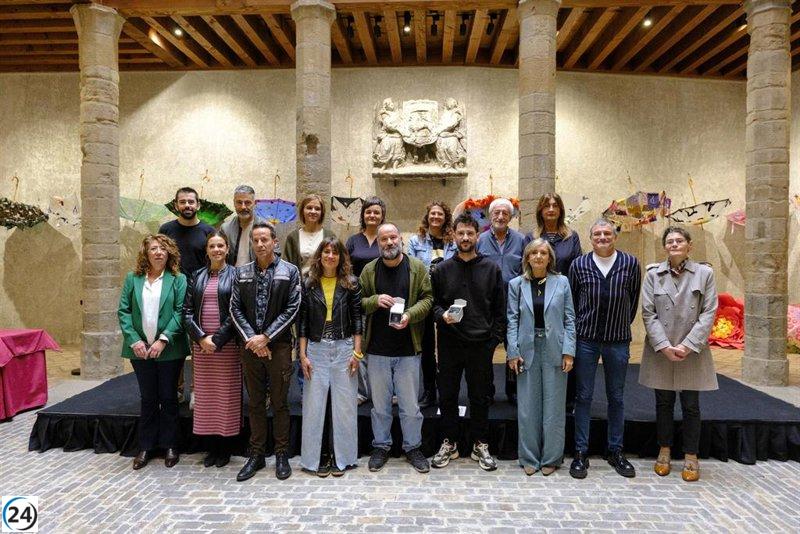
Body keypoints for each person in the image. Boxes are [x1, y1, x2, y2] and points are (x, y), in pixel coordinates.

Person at [640, 227, 718, 482]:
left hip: (691, 350)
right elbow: (648, 312)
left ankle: (691, 456)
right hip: (661, 350)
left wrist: (688, 345)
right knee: (663, 403)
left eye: (679, 240)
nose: (674, 244)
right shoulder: (653, 274)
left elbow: (709, 312)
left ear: (689, 245)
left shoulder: (705, 274)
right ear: (665, 247)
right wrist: (663, 345)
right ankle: (664, 451)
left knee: (691, 405)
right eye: (670, 241)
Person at [430, 213, 505, 472]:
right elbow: (433, 305)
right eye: (460, 233)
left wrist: (493, 341)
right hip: (449, 343)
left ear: (477, 236)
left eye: (470, 233)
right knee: (448, 396)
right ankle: (449, 442)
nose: (465, 238)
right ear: (453, 235)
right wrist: (442, 316)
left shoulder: (492, 269)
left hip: (481, 344)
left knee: (480, 397)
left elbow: (500, 310)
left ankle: (480, 443)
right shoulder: (441, 270)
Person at [568, 218, 641, 479]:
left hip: (617, 340)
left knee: (616, 397)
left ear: (615, 236)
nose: (602, 237)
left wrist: (618, 324)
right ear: (590, 238)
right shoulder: (579, 265)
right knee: (583, 396)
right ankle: (580, 452)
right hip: (586, 340)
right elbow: (573, 302)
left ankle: (615, 450)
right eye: (597, 234)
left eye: (607, 233)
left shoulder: (630, 263)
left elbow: (632, 302)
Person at [230, 222, 301, 482]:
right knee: (256, 402)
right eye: (256, 240)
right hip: (250, 347)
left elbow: (294, 307)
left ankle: (281, 453)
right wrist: (253, 339)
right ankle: (257, 454)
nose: (260, 244)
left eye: (265, 240)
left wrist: (267, 337)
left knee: (280, 403)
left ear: (275, 242)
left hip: (279, 346)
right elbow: (234, 308)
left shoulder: (290, 271)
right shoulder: (241, 272)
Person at [360, 223, 432, 474]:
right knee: (379, 406)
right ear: (378, 243)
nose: (389, 243)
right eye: (384, 239)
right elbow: (359, 302)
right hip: (377, 349)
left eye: (393, 238)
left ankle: (413, 447)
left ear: (401, 239)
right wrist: (374, 300)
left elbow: (428, 299)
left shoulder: (417, 267)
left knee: (410, 406)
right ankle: (381, 446)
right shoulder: (369, 270)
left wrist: (410, 315)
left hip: (408, 349)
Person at [118, 234, 190, 470]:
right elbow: (124, 311)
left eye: (163, 249)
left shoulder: (178, 279)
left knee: (168, 396)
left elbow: (180, 312)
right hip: (139, 350)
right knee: (148, 397)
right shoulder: (133, 278)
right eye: (154, 248)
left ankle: (170, 445)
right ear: (146, 253)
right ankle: (146, 446)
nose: (159, 252)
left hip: (169, 349)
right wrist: (134, 340)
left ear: (169, 253)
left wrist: (162, 340)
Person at [507, 238, 576, 476]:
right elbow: (512, 319)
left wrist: (569, 351)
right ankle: (529, 456)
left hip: (554, 348)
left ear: (549, 258)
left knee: (554, 407)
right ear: (527, 257)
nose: (538, 256)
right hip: (527, 349)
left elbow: (569, 319)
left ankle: (551, 457)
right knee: (528, 407)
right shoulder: (516, 284)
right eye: (534, 252)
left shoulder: (562, 282)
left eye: (543, 253)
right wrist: (513, 351)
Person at [298, 237, 363, 477]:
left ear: (341, 257)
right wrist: (302, 355)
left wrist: (357, 352)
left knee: (345, 407)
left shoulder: (351, 283)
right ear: (320, 255)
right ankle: (316, 459)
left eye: (335, 253)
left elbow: (358, 319)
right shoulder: (308, 283)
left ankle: (343, 458)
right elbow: (302, 322)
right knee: (314, 407)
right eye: (326, 252)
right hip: (315, 348)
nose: (330, 256)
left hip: (344, 347)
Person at [182, 231, 240, 468]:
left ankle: (225, 448)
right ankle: (211, 448)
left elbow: (237, 311)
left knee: (225, 396)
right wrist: (201, 338)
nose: (216, 250)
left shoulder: (236, 275)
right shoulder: (197, 276)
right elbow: (187, 312)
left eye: (220, 246)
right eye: (212, 246)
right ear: (206, 250)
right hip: (202, 347)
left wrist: (217, 339)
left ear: (227, 249)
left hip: (226, 346)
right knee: (207, 396)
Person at [524, 193, 583, 411]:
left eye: (555, 205)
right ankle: (539, 399)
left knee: (564, 348)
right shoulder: (531, 237)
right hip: (538, 300)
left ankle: (568, 399)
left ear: (561, 210)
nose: (550, 209)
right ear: (540, 210)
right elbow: (525, 268)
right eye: (546, 205)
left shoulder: (571, 237)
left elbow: (577, 269)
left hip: (563, 299)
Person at [407, 201, 457, 407]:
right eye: (432, 214)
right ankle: (429, 391)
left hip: (447, 298)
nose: (436, 217)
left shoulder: (453, 242)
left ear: (446, 218)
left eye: (440, 214)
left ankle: (447, 391)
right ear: (427, 217)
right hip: (425, 296)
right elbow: (411, 268)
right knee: (427, 347)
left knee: (448, 346)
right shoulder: (415, 241)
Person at [476, 197, 526, 405]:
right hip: (487, 305)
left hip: (515, 304)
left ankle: (513, 391)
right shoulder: (480, 240)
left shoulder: (521, 240)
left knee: (514, 348)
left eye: (505, 213)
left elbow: (526, 270)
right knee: (485, 351)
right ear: (490, 215)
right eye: (496, 212)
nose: (500, 216)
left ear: (511, 217)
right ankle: (487, 390)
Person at [346, 196, 387, 403]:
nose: (372, 215)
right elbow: (345, 269)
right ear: (363, 215)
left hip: (384, 301)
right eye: (368, 212)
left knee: (382, 346)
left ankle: (384, 390)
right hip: (358, 300)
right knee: (359, 345)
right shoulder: (353, 241)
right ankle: (361, 391)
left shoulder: (387, 238)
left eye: (376, 212)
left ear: (382, 216)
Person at [159, 187, 215, 277]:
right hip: (172, 281)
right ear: (176, 206)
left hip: (200, 282)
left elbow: (214, 261)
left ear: (198, 205)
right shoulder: (165, 229)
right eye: (182, 202)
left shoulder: (209, 231)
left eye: (191, 202)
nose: (187, 205)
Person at [283, 194, 337, 276]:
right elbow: (286, 266)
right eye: (309, 208)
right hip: (299, 282)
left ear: (322, 213)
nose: (313, 211)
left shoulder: (330, 235)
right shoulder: (293, 237)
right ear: (302, 211)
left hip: (323, 282)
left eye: (317, 209)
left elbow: (336, 262)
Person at [220, 185, 266, 267]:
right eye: (239, 202)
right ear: (234, 203)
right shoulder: (225, 229)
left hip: (258, 273)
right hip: (233, 274)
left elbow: (275, 256)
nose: (243, 207)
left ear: (254, 204)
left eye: (247, 203)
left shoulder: (266, 227)